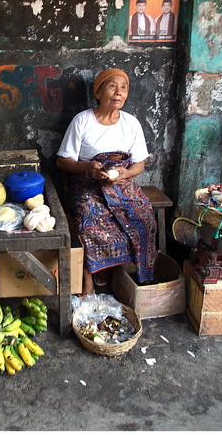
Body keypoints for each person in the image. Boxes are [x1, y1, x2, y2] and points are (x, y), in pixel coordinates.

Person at [56, 68, 157, 295]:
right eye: (112, 86)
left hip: (121, 184)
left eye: (123, 87)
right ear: (98, 92)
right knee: (89, 220)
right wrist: (87, 168)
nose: (118, 92)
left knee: (144, 218)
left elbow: (140, 163)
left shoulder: (131, 123)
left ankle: (131, 278)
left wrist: (126, 173)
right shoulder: (82, 121)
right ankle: (89, 284)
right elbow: (63, 161)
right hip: (87, 183)